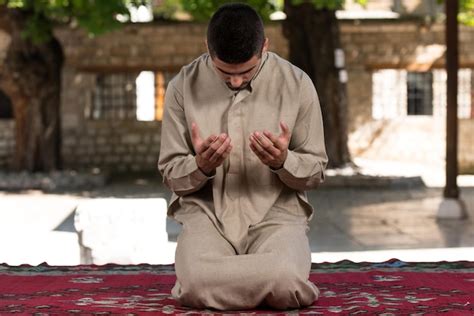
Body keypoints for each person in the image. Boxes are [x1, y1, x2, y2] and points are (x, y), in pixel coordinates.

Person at [158, 3, 328, 311]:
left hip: (277, 214)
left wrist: (283, 161)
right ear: (207, 48)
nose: (236, 82)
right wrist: (200, 166)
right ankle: (254, 281)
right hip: (207, 214)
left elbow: (315, 171)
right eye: (225, 72)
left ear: (265, 46)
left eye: (246, 72)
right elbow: (171, 173)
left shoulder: (298, 85)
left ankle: (237, 281)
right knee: (196, 282)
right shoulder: (182, 87)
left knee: (286, 281)